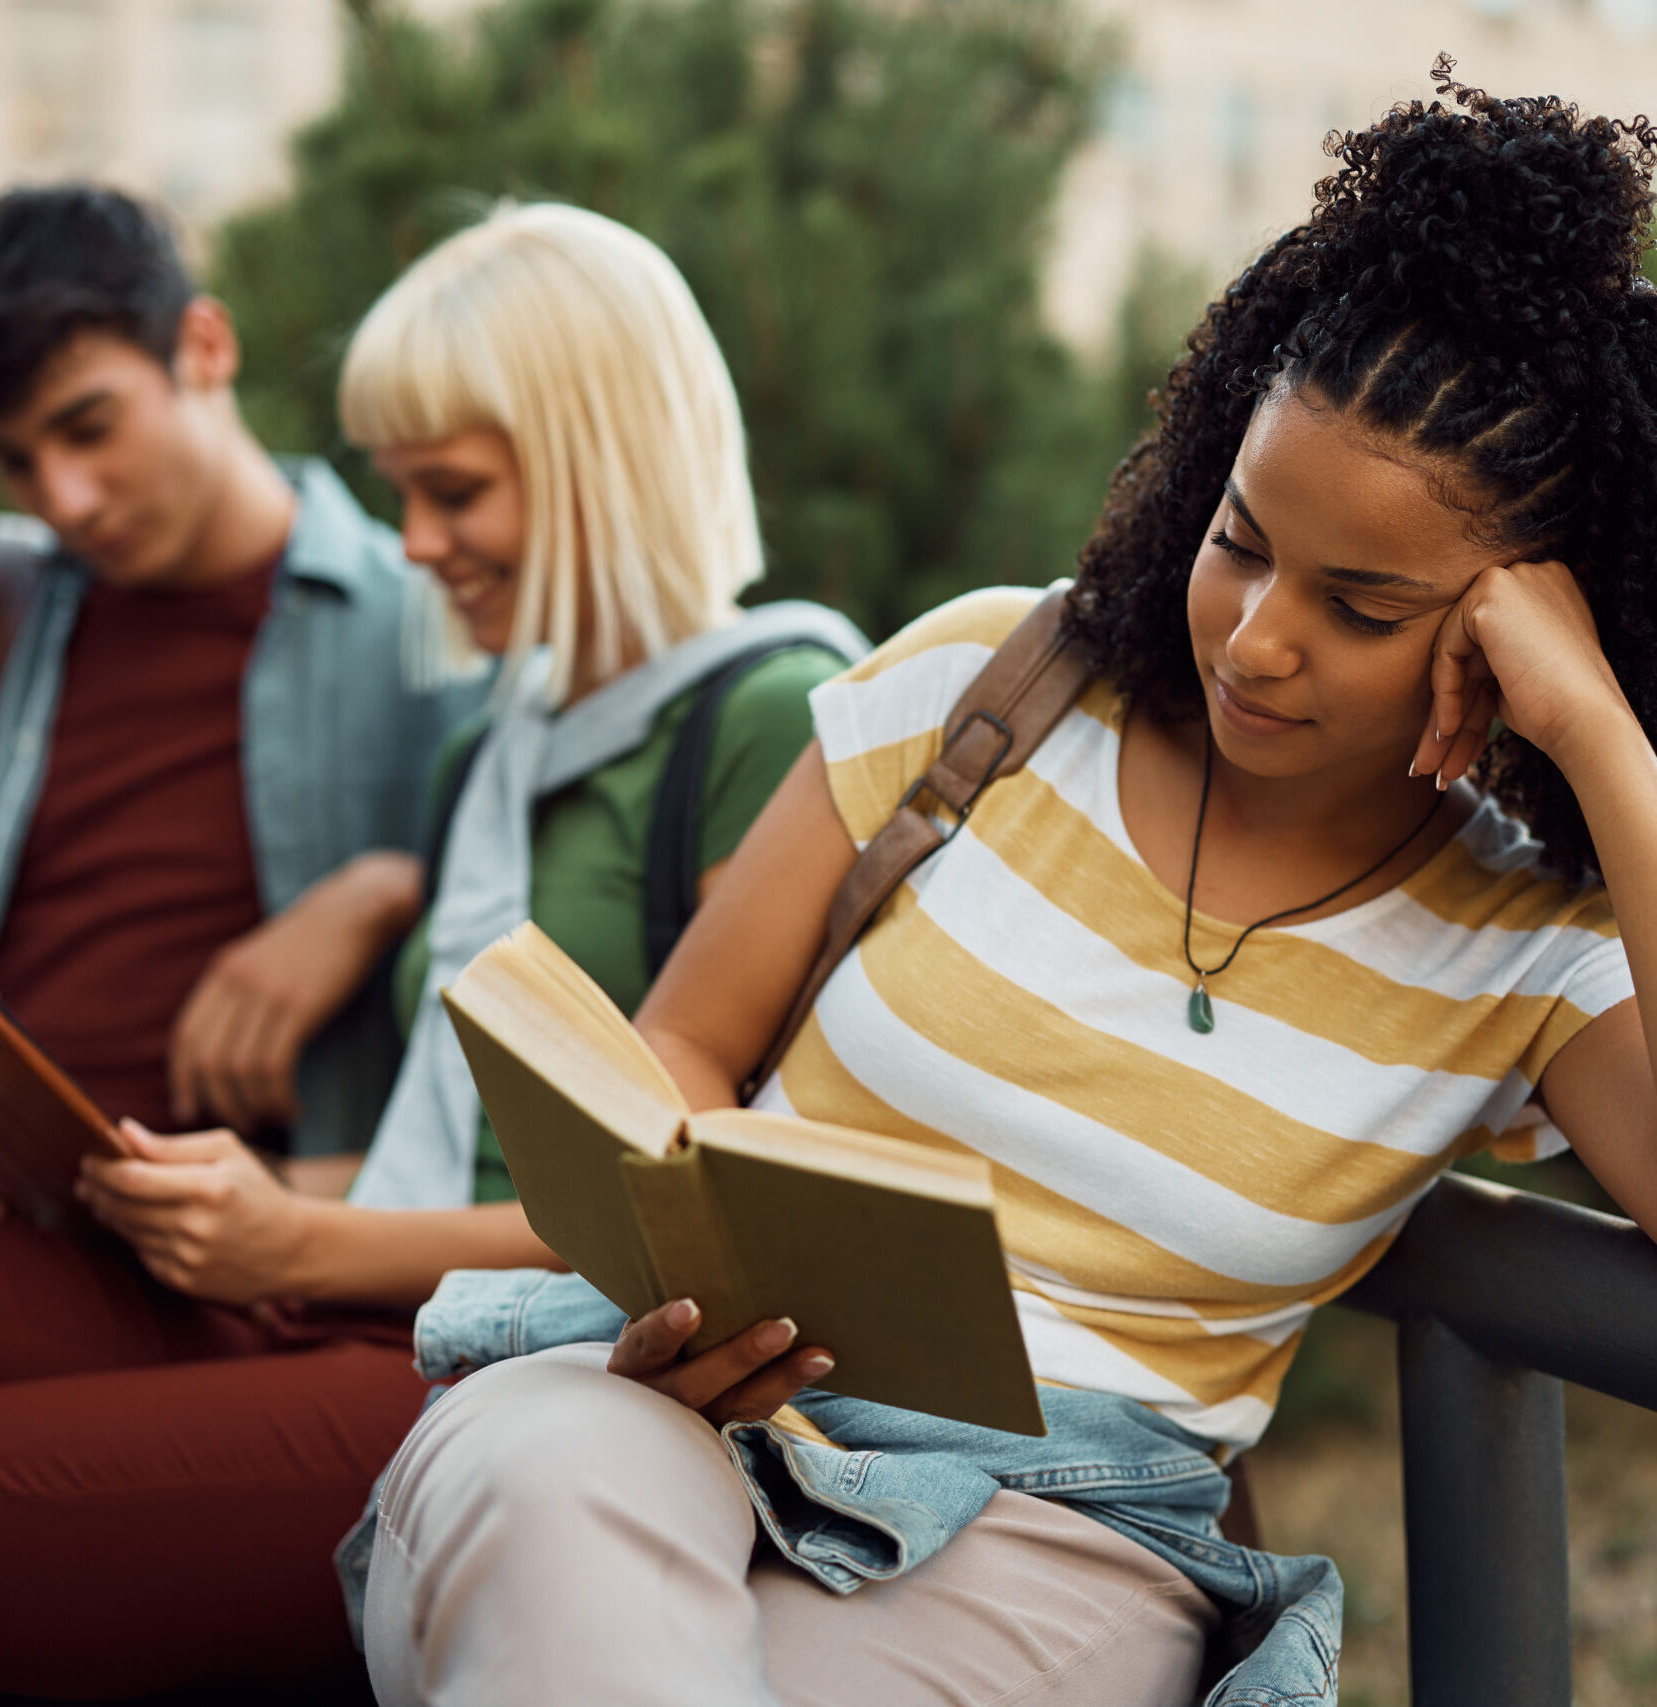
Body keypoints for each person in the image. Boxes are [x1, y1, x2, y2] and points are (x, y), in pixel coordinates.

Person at [356, 64, 1657, 1707]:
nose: (1258, 638)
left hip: (1056, 1534)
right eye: (1242, 539)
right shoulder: (996, 676)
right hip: (669, 1403)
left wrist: (1606, 744)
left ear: (1509, 628)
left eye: (1364, 604)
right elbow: (680, 1047)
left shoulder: (1529, 943)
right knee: (545, 1522)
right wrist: (688, 1273)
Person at [0, 202, 864, 1697]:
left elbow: (730, 1223)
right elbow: (444, 1149)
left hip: (536, 1368)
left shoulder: (776, 720)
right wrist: (177, 1180)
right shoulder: (489, 761)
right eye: (399, 494)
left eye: (448, 493)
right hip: (355, 1295)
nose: (415, 543)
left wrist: (298, 1235)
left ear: (593, 464)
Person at [0, 184, 482, 1166]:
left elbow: (567, 909)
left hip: (263, 1244)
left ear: (205, 347)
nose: (63, 497)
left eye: (90, 426)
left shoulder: (437, 615)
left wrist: (390, 889)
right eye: (12, 462)